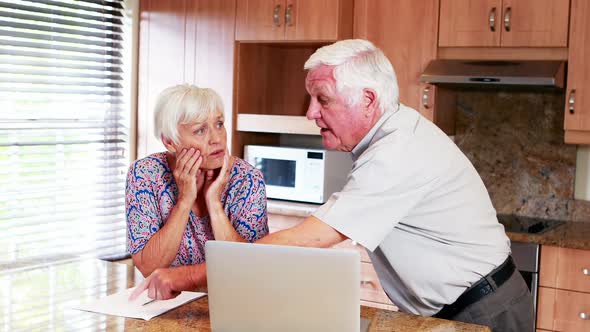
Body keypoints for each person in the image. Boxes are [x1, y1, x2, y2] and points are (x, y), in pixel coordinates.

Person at [130, 40, 533, 331]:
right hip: (454, 309)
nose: (310, 113)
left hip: (483, 312)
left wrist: (184, 277)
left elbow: (310, 240)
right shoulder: (387, 139)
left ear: (368, 100)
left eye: (322, 100)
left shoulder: (398, 154)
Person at [125, 84, 269, 277]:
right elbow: (149, 268)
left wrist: (214, 203)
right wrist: (184, 201)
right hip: (167, 299)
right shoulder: (145, 174)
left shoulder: (247, 179)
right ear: (170, 141)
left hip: (231, 297)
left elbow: (251, 269)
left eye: (219, 124)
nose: (217, 138)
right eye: (200, 130)